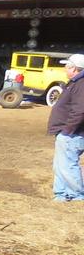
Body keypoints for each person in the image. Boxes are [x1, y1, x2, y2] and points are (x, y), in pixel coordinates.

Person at [47, 54, 84, 201]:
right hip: (68, 132)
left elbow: (80, 110)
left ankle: (75, 196)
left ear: (74, 68)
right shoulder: (75, 82)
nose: (64, 68)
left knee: (68, 164)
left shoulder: (81, 84)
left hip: (72, 134)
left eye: (66, 66)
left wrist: (68, 130)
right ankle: (61, 195)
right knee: (60, 165)